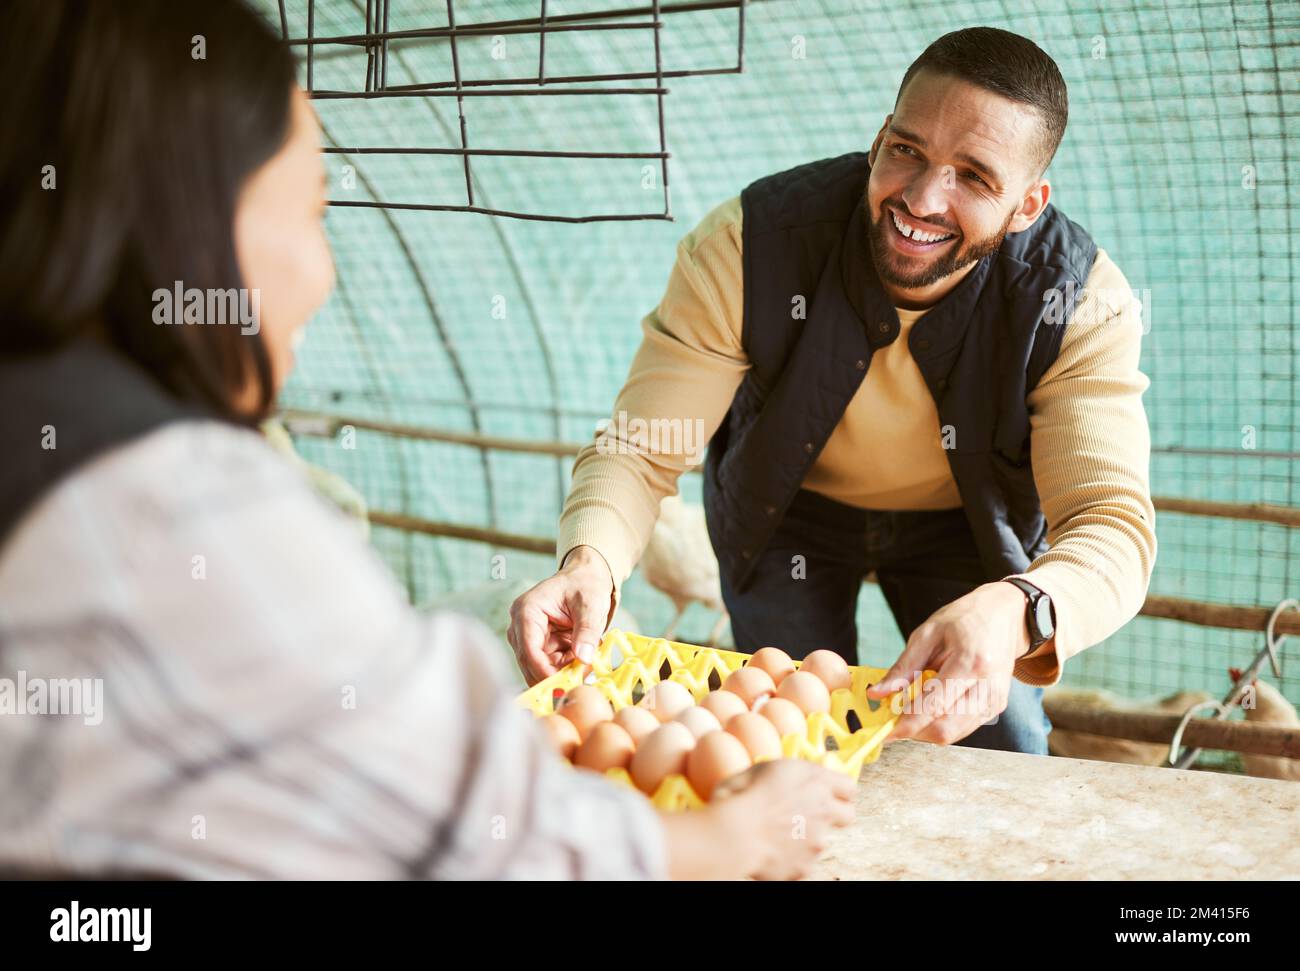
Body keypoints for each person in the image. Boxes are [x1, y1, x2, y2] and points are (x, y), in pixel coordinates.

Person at [0, 0, 852, 880]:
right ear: (190, 220)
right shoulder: (171, 497)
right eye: (312, 210)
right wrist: (724, 840)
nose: (325, 275)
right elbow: (451, 817)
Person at [509, 27, 1157, 756]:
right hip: (787, 511)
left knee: (1001, 737)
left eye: (974, 176)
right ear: (881, 136)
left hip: (963, 524)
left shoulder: (1080, 299)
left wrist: (1015, 609)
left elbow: (1110, 524)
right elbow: (640, 448)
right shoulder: (748, 245)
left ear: (1028, 204)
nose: (921, 198)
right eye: (908, 149)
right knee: (776, 731)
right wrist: (588, 561)